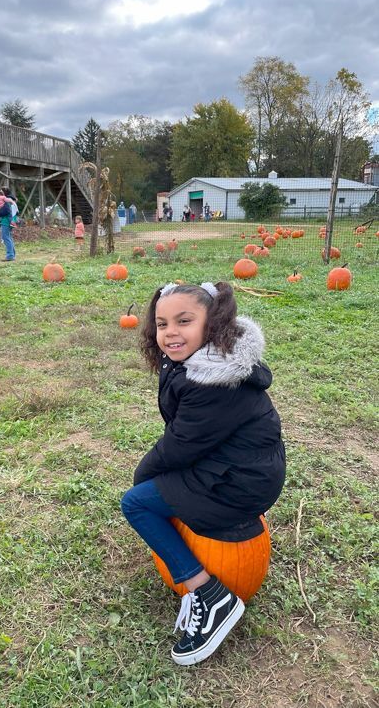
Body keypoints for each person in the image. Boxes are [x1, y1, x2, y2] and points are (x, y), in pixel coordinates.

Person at [121, 281, 285, 666]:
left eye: (184, 321)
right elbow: (189, 437)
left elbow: (179, 445)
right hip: (236, 466)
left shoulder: (213, 380)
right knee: (156, 491)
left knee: (137, 503)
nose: (171, 332)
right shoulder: (201, 361)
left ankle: (211, 596)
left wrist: (142, 476)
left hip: (240, 480)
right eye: (162, 324)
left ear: (212, 324)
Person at [0, 188, 17, 261]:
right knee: (9, 237)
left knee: (5, 238)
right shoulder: (9, 200)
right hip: (9, 221)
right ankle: (12, 254)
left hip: (5, 221)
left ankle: (10, 256)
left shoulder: (5, 201)